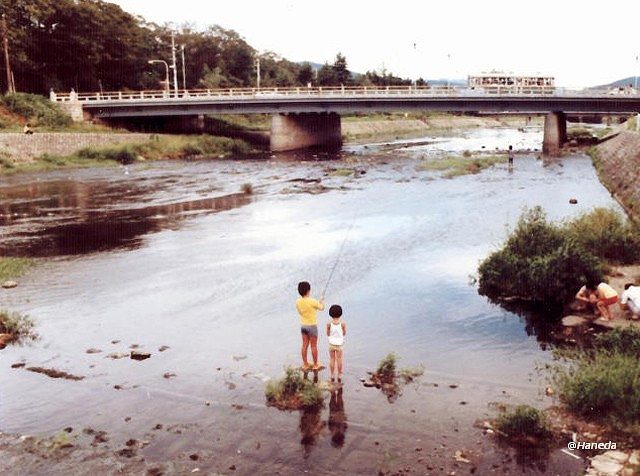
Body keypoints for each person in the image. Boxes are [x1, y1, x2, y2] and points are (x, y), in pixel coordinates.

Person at [296, 281, 324, 371]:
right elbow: (322, 308)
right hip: (312, 326)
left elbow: (300, 312)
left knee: (304, 345)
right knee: (313, 346)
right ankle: (315, 364)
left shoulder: (298, 302)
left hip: (303, 326)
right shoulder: (312, 301)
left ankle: (305, 364)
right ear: (308, 290)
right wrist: (321, 301)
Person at [326, 304, 346, 383]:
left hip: (331, 343)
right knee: (339, 359)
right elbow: (344, 333)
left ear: (330, 313)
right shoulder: (342, 323)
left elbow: (327, 334)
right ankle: (340, 374)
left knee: (332, 359)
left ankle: (332, 374)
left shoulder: (329, 323)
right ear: (340, 313)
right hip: (339, 344)